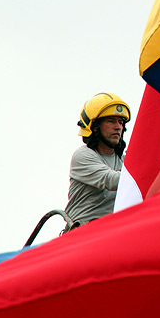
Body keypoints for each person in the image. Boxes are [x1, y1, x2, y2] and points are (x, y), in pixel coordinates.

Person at [64, 92, 131, 227]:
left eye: (121, 122)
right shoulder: (83, 156)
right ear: (95, 127)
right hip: (83, 232)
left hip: (113, 230)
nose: (118, 127)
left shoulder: (125, 161)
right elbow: (112, 180)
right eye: (111, 121)